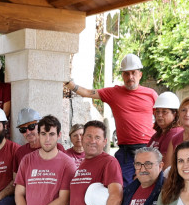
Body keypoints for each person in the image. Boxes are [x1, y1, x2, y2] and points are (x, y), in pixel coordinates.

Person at [65, 54, 157, 187]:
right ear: (122, 75)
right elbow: (87, 92)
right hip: (126, 153)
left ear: (140, 74)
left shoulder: (151, 94)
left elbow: (164, 118)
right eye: (126, 73)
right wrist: (70, 84)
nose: (130, 77)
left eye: (133, 73)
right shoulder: (114, 93)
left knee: (150, 188)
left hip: (148, 148)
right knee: (121, 188)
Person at [146, 91, 183, 172]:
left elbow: (165, 165)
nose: (159, 115)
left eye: (164, 112)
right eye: (157, 111)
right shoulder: (158, 134)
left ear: (175, 114)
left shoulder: (174, 134)